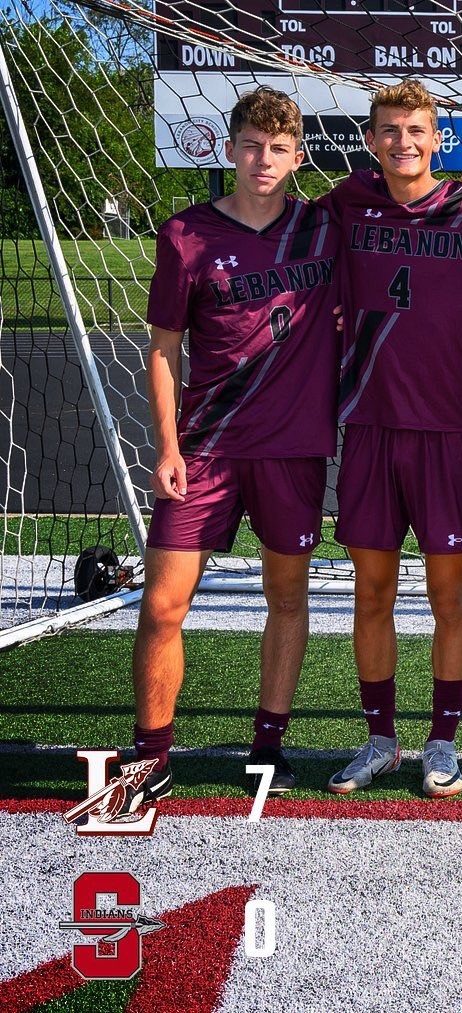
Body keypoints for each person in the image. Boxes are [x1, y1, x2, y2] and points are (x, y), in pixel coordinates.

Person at [117, 87, 339, 810]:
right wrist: (166, 446)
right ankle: (151, 756)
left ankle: (267, 747)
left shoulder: (324, 227)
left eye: (278, 148)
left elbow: (406, 198)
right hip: (206, 450)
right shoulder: (187, 234)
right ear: (229, 149)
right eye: (250, 145)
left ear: (298, 157)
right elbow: (163, 349)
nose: (262, 160)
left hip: (292, 449)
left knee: (287, 598)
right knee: (162, 604)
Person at [322, 79, 462, 798]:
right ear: (371, 140)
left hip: (446, 427)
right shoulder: (345, 202)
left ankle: (442, 741)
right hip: (369, 422)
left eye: (416, 130)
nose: (404, 142)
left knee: (447, 594)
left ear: (437, 139)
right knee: (371, 591)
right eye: (390, 131)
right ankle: (379, 738)